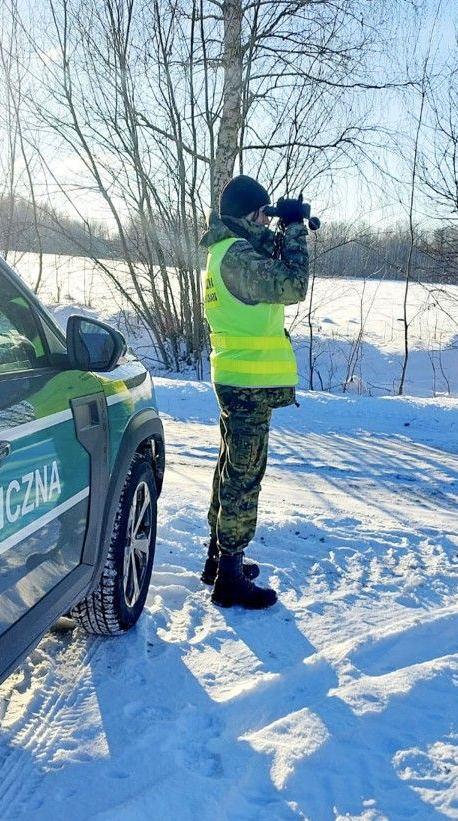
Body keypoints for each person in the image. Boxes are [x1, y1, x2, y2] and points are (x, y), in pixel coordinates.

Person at [199, 175, 310, 609]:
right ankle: (229, 577)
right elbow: (292, 285)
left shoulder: (226, 251)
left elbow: (267, 266)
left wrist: (282, 227)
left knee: (230, 467)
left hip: (236, 377)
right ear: (249, 215)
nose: (267, 222)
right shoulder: (237, 256)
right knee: (244, 476)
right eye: (262, 215)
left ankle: (218, 558)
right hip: (247, 383)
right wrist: (296, 231)